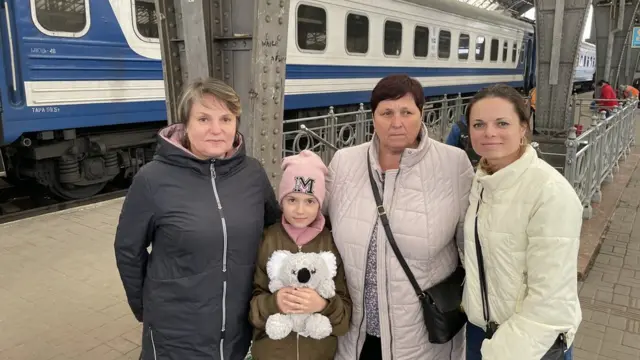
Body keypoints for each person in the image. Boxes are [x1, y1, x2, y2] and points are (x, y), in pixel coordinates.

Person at [114, 77, 281, 360]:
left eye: (226, 119)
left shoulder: (252, 174)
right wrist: (146, 307)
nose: (216, 130)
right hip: (176, 332)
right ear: (186, 125)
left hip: (239, 326)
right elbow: (128, 250)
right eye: (204, 119)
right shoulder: (153, 179)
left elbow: (274, 232)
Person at [324, 74, 474, 359]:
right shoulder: (344, 162)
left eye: (407, 112)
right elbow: (314, 227)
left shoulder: (454, 165)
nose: (396, 122)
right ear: (373, 116)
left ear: (422, 113)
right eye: (386, 112)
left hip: (422, 341)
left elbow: (474, 248)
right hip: (354, 337)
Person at [461, 84, 582, 360]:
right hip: (481, 331)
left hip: (530, 344)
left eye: (502, 123)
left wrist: (501, 351)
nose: (489, 132)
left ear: (523, 127)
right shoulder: (483, 182)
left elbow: (550, 300)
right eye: (479, 124)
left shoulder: (549, 192)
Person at [249, 150, 352, 360]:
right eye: (292, 199)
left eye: (310, 201)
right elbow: (252, 304)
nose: (300, 210)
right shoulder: (267, 240)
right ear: (281, 201)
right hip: (271, 353)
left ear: (320, 203)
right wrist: (273, 303)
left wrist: (323, 305)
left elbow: (344, 318)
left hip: (319, 354)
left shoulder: (331, 242)